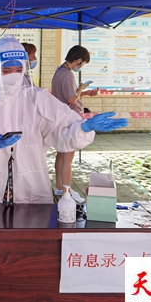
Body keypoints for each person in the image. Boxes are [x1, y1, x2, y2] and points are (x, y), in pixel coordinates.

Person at [0, 36, 127, 204]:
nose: (13, 76)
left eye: (18, 70)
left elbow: (62, 130)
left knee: (36, 222)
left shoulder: (38, 99)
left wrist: (83, 128)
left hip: (34, 189)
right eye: (6, 71)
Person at [51, 45, 99, 202]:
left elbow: (68, 95)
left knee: (61, 154)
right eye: (83, 63)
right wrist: (81, 88)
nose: (81, 66)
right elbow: (72, 99)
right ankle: (67, 192)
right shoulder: (67, 74)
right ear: (78, 60)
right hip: (70, 119)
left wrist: (84, 92)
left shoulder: (60, 71)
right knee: (67, 159)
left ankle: (60, 187)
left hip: (61, 118)